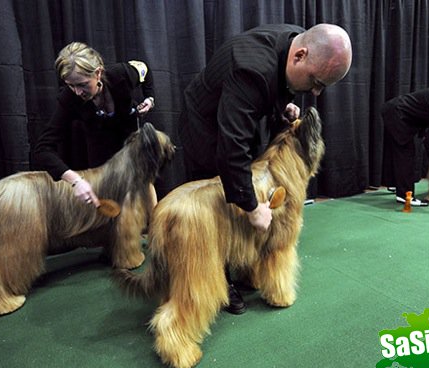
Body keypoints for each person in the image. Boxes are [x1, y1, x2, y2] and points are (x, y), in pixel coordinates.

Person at [178, 24, 353, 314]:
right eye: (316, 82)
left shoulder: (298, 41)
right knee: (216, 215)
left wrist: (281, 106)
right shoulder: (251, 70)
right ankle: (220, 283)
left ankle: (245, 265)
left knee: (244, 197)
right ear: (300, 56)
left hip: (236, 116)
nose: (317, 93)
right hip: (204, 128)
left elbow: (277, 87)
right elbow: (232, 149)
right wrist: (250, 207)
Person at [33, 42, 156, 207]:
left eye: (82, 84)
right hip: (100, 149)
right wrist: (75, 181)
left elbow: (144, 69)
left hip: (129, 140)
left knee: (143, 179)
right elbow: (43, 149)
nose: (77, 92)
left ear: (98, 73)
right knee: (108, 194)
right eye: (71, 85)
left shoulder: (122, 75)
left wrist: (149, 99)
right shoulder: (69, 99)